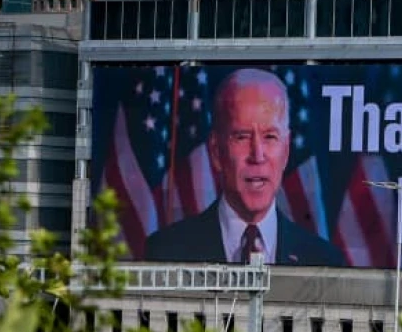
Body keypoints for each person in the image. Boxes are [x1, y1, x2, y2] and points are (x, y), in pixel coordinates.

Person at [144, 68, 346, 267]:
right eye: (242, 136)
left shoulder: (324, 261)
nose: (257, 155)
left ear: (286, 151)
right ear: (215, 151)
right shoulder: (166, 252)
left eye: (270, 137)